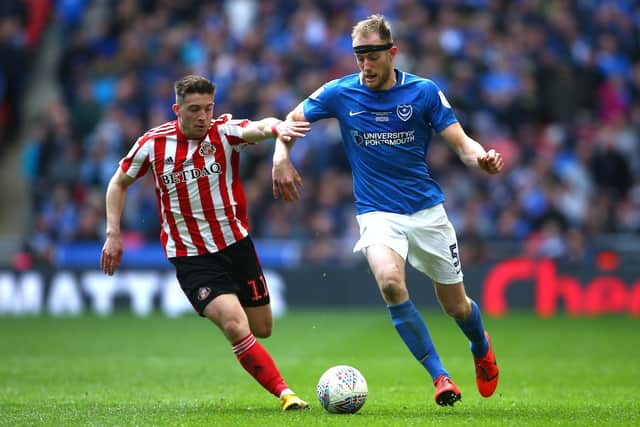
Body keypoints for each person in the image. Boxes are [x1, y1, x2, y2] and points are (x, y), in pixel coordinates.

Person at [272, 14, 503, 407]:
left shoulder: (423, 92)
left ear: (391, 52)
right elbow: (289, 122)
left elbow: (462, 144)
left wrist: (483, 158)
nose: (365, 64)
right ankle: (440, 377)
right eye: (359, 55)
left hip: (427, 211)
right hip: (377, 213)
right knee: (390, 283)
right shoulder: (339, 93)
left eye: (372, 55)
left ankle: (480, 346)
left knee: (456, 306)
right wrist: (280, 158)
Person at [100, 74, 310, 411]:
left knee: (263, 327)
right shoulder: (153, 144)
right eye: (194, 109)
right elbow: (117, 182)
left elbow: (259, 126)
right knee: (233, 324)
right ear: (177, 109)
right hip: (191, 256)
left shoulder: (223, 132)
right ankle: (286, 394)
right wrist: (113, 233)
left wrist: (278, 130)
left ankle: (261, 360)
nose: (203, 117)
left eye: (208, 109)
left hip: (235, 245)